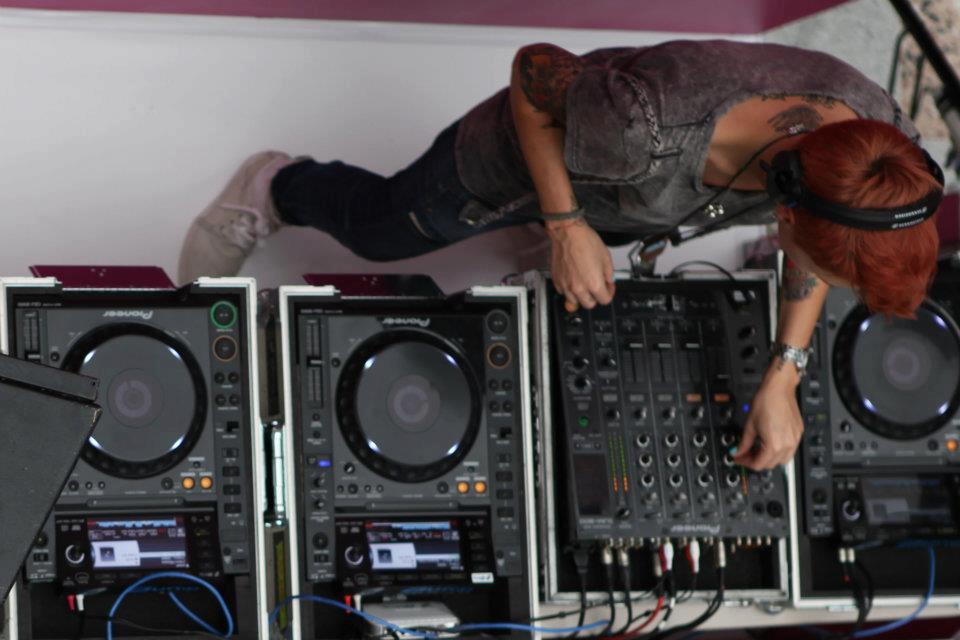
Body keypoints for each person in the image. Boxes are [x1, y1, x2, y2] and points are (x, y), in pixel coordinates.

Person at [177, 39, 942, 471]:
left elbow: (821, 244)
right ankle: (275, 187)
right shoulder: (649, 124)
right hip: (513, 161)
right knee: (382, 229)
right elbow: (532, 72)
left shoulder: (875, 141)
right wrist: (567, 225)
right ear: (787, 208)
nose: (815, 275)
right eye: (822, 266)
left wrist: (785, 373)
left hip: (624, 202)